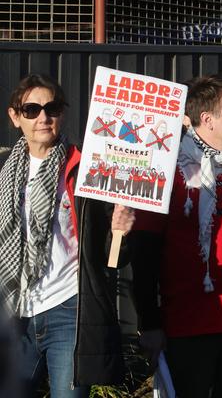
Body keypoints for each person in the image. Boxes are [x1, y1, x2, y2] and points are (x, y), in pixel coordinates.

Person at [130, 75, 222, 398]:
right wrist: (149, 324)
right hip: (186, 326)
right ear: (207, 119)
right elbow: (145, 255)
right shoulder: (168, 173)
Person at [0, 74, 134, 397]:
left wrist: (120, 232)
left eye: (52, 108)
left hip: (68, 311)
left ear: (63, 113)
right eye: (31, 110)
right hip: (13, 312)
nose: (43, 117)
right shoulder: (3, 169)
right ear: (15, 117)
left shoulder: (86, 167)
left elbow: (110, 255)